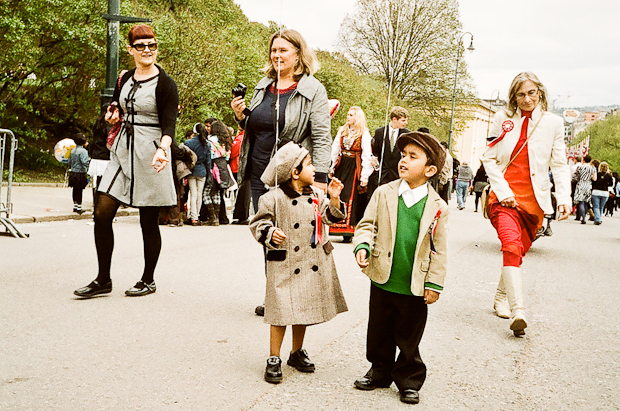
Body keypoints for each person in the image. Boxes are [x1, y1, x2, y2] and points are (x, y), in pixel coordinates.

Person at [231, 28, 332, 316]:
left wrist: (321, 179)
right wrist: (241, 117)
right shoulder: (263, 85)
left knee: (292, 238)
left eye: (283, 50)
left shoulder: (314, 90)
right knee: (267, 235)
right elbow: (255, 128)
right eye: (273, 50)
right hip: (259, 173)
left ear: (298, 54)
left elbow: (322, 137)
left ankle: (294, 297)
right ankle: (275, 294)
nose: (277, 55)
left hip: (291, 177)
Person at [74, 24, 179, 298]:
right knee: (101, 212)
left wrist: (163, 149)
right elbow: (115, 108)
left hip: (152, 151)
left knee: (148, 221)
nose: (147, 51)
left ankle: (148, 279)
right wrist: (112, 116)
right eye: (141, 46)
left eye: (152, 45)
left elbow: (169, 124)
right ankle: (103, 279)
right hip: (122, 151)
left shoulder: (166, 84)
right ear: (130, 49)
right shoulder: (124, 79)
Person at [352, 131, 448, 405]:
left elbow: (439, 248)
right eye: (403, 155)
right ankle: (379, 371)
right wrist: (362, 246)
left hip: (414, 283)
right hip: (383, 276)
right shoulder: (384, 193)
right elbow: (367, 225)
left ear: (430, 170)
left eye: (412, 157)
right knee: (379, 329)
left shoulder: (437, 206)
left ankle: (408, 378)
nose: (403, 160)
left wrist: (434, 283)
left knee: (408, 335)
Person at [249, 142, 348, 384]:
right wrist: (271, 233)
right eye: (310, 164)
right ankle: (274, 357)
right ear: (295, 172)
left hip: (311, 259)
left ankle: (296, 352)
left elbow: (330, 217)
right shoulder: (272, 198)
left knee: (302, 307)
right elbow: (258, 224)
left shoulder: (316, 195)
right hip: (284, 262)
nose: (314, 169)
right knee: (280, 311)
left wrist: (334, 199)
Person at [482, 72, 570, 336]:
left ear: (540, 92)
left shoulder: (553, 123)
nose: (527, 98)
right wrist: (503, 189)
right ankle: (518, 310)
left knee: (517, 251)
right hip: (504, 196)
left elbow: (559, 164)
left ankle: (500, 297)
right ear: (514, 97)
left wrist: (564, 198)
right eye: (521, 94)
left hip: (535, 201)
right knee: (510, 244)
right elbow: (489, 158)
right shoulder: (502, 119)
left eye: (532, 92)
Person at [329, 106, 373, 241]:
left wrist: (365, 175)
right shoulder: (342, 131)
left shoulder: (364, 134)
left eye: (352, 115)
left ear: (358, 118)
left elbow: (366, 155)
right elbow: (335, 149)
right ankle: (336, 224)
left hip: (354, 166)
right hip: (342, 165)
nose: (348, 117)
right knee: (338, 193)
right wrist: (331, 166)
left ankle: (348, 229)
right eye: (348, 115)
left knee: (349, 195)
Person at [367, 106, 411, 199]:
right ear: (394, 119)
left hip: (396, 174)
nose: (405, 123)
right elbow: (375, 151)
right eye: (403, 120)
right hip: (381, 174)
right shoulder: (380, 132)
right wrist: (374, 159)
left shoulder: (406, 134)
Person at [201, 120, 234, 226]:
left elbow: (209, 154)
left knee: (207, 192)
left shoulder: (210, 140)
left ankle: (212, 217)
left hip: (213, 165)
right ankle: (218, 216)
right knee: (217, 192)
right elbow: (228, 156)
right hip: (223, 166)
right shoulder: (225, 141)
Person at [185, 123, 211, 226]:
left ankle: (193, 217)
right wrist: (208, 174)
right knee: (199, 194)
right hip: (202, 171)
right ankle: (197, 215)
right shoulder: (207, 144)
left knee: (193, 193)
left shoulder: (188, 143)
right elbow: (208, 161)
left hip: (191, 170)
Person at [89, 107, 111, 211]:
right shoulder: (108, 128)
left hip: (96, 156)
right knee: (106, 185)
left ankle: (96, 203)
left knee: (97, 183)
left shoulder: (97, 126)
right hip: (105, 157)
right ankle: (102, 208)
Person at [230, 129, 252, 225]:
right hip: (243, 166)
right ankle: (241, 214)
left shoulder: (240, 138)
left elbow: (233, 151)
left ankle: (241, 214)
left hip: (238, 166)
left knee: (242, 190)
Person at [68, 133, 90, 215]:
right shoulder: (84, 151)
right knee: (80, 190)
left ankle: (75, 205)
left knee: (75, 190)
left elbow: (69, 162)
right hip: (81, 173)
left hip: (73, 172)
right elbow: (84, 162)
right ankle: (79, 207)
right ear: (83, 142)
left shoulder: (72, 150)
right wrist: (89, 162)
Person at [573, 155, 596, 224]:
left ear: (584, 160)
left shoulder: (580, 167)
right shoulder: (593, 168)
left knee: (581, 202)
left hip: (580, 184)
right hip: (588, 185)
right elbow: (594, 179)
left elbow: (575, 176)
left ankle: (582, 217)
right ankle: (584, 216)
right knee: (586, 202)